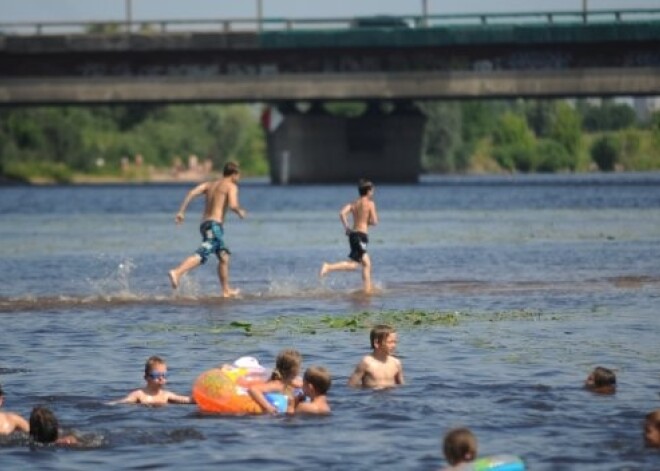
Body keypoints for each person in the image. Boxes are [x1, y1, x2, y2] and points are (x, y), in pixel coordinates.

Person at [168, 161, 247, 298]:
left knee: (224, 257)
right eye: (238, 175)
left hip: (205, 224)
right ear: (234, 174)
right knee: (203, 253)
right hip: (214, 225)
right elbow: (233, 205)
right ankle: (177, 272)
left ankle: (226, 291)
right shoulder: (231, 186)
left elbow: (191, 193)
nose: (239, 179)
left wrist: (181, 212)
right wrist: (240, 212)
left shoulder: (210, 185)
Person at [320, 178, 379, 293]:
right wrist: (367, 222)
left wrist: (347, 227)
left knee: (366, 263)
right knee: (355, 265)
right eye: (372, 190)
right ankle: (328, 267)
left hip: (353, 235)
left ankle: (367, 289)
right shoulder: (370, 203)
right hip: (361, 236)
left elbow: (342, 213)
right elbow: (375, 221)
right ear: (368, 191)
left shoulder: (354, 204)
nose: (373, 192)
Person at [110, 356, 194, 406]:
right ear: (146, 378)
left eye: (164, 375)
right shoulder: (139, 394)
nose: (161, 378)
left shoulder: (166, 395)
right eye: (156, 375)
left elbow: (187, 400)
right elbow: (123, 402)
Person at [348, 324, 404, 389]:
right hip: (372, 396)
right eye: (390, 342)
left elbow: (402, 387)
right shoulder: (366, 362)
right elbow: (351, 386)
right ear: (376, 343)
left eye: (395, 342)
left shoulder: (396, 363)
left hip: (391, 397)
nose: (394, 345)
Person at [248, 349, 302, 414]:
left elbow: (300, 384)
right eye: (299, 366)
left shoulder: (291, 382)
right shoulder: (277, 384)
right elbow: (253, 389)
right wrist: (268, 407)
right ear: (295, 370)